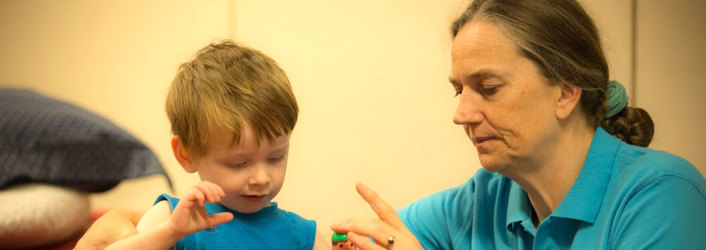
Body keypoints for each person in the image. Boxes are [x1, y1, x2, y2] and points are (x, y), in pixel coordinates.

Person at [331, 0, 706, 249]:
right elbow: (348, 238)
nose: (461, 114)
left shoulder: (662, 197)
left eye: (488, 88)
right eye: (459, 91)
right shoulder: (483, 199)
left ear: (565, 91)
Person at [84, 40, 329, 249]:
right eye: (238, 163)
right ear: (186, 155)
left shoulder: (303, 235)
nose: (261, 178)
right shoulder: (173, 219)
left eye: (276, 157)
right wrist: (169, 233)